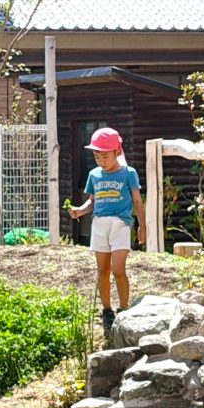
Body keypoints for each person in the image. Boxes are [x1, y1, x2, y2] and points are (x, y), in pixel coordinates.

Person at [69, 127, 146, 331]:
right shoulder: (94, 175)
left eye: (104, 155)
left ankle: (124, 308)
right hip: (99, 225)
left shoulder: (129, 173)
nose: (100, 160)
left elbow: (137, 201)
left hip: (121, 224)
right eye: (96, 156)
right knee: (102, 270)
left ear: (117, 151)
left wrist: (141, 227)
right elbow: (92, 202)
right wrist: (79, 211)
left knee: (118, 270)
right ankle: (106, 311)